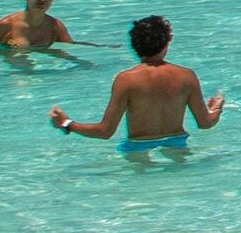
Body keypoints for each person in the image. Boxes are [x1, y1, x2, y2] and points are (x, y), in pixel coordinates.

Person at [52, 15, 224, 151]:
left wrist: (68, 124)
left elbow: (105, 131)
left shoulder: (126, 79)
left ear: (134, 46)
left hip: (137, 147)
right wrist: (216, 107)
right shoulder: (187, 76)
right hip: (178, 144)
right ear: (165, 44)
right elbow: (205, 123)